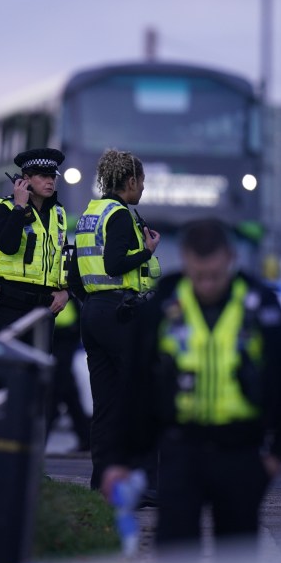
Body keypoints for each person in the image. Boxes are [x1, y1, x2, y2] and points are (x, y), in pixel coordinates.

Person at [102, 218, 281, 554]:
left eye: (215, 275)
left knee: (236, 557)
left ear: (229, 258)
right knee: (176, 554)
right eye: (199, 276)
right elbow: (134, 383)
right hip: (182, 448)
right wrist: (119, 458)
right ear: (185, 260)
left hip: (240, 451)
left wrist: (278, 452)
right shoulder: (165, 304)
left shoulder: (259, 303)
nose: (207, 285)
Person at [75, 147, 161, 489]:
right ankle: (146, 484)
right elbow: (114, 264)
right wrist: (147, 251)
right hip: (120, 314)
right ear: (130, 180)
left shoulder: (91, 213)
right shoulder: (121, 215)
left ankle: (101, 483)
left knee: (106, 406)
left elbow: (76, 271)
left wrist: (93, 303)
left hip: (92, 313)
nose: (143, 189)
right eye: (142, 182)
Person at [0, 147, 70, 393]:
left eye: (52, 176)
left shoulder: (59, 213)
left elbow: (64, 257)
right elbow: (8, 246)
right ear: (25, 180)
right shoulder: (4, 208)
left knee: (38, 384)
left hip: (43, 311)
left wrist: (67, 292)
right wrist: (20, 207)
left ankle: (32, 433)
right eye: (42, 176)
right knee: (4, 381)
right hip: (8, 307)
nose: (49, 181)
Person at [45, 300, 91, 451]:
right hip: (58, 334)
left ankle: (41, 437)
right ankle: (86, 439)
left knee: (58, 388)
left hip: (64, 336)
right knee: (67, 390)